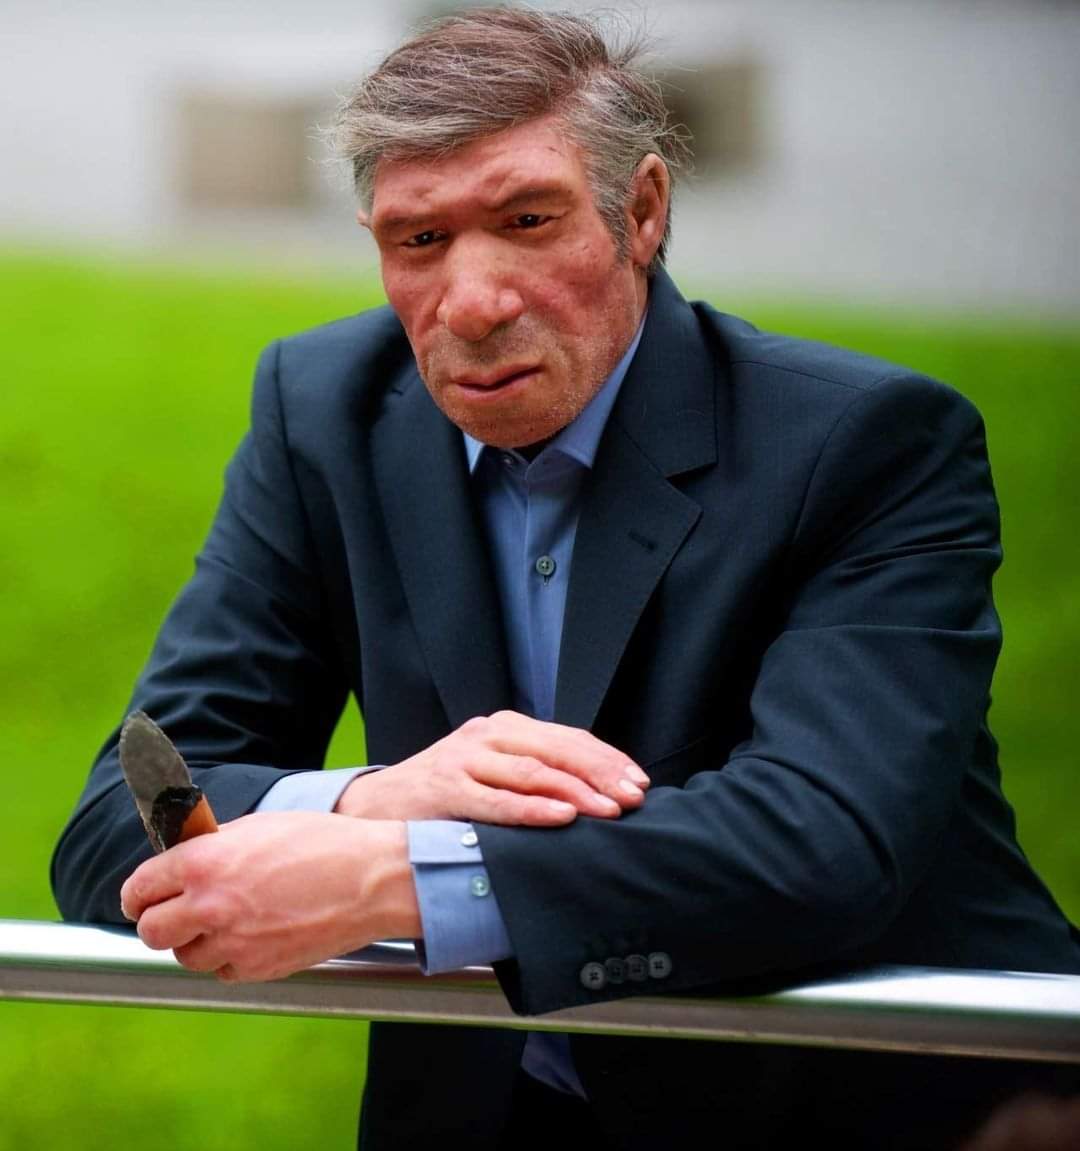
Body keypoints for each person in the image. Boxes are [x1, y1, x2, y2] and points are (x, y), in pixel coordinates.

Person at [51, 8, 1079, 1149]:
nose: (474, 301)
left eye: (527, 220)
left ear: (641, 211)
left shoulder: (869, 442)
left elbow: (820, 840)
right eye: (418, 240)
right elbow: (114, 820)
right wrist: (370, 799)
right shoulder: (325, 413)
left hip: (884, 1094)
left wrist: (402, 877)